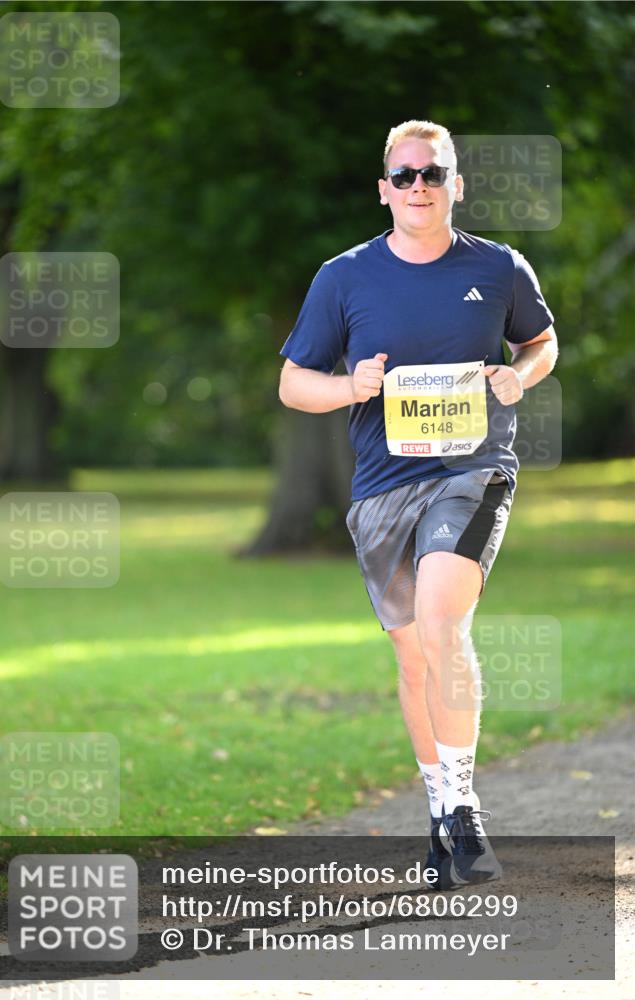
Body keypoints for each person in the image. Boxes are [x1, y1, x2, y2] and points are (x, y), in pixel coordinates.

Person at [278, 119, 558, 887]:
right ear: (382, 189)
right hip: (380, 490)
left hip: (475, 471)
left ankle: (464, 809)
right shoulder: (343, 277)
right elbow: (293, 384)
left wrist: (519, 377)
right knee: (412, 654)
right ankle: (439, 813)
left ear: (455, 184)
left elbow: (540, 342)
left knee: (442, 621)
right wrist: (351, 386)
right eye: (403, 176)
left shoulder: (499, 268)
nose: (418, 187)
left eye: (432, 174)